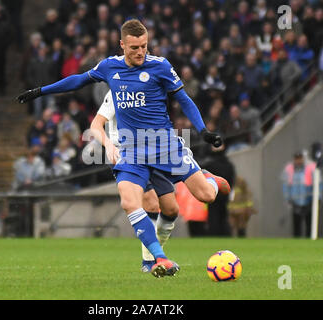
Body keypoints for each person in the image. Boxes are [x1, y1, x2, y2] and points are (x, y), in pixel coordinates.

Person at [17, 19, 230, 278]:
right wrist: (41, 91)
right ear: (122, 45)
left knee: (205, 196)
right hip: (131, 150)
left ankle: (209, 179)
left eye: (144, 46)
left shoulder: (160, 66)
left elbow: (183, 99)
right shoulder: (109, 67)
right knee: (130, 202)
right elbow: (78, 81)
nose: (140, 52)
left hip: (165, 146)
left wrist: (203, 131)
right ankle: (157, 259)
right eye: (134, 48)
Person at [90, 90, 180, 273]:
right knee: (151, 204)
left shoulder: (152, 87)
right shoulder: (119, 89)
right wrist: (108, 145)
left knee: (171, 209)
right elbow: (96, 125)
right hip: (127, 155)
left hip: (154, 153)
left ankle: (155, 257)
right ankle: (152, 261)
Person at [281, 151, 323, 238]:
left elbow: (318, 184)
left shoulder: (309, 169)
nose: (298, 161)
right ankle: (297, 244)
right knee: (297, 226)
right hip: (295, 202)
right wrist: (288, 198)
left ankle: (310, 242)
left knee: (310, 225)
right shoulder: (289, 170)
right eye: (297, 159)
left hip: (308, 201)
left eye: (300, 158)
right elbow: (286, 186)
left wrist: (318, 198)